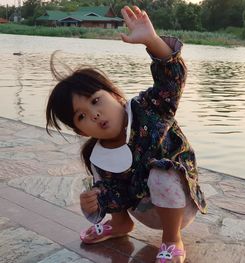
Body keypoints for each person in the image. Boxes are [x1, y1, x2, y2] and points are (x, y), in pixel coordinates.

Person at [46, 5, 207, 263]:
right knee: (99, 175)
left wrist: (152, 41)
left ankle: (171, 240)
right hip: (143, 208)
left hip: (179, 205)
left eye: (96, 101)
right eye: (82, 116)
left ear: (116, 95)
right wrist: (96, 203)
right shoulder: (97, 152)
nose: (94, 114)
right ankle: (120, 224)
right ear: (79, 129)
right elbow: (115, 190)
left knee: (161, 171)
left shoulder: (150, 108)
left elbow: (171, 80)